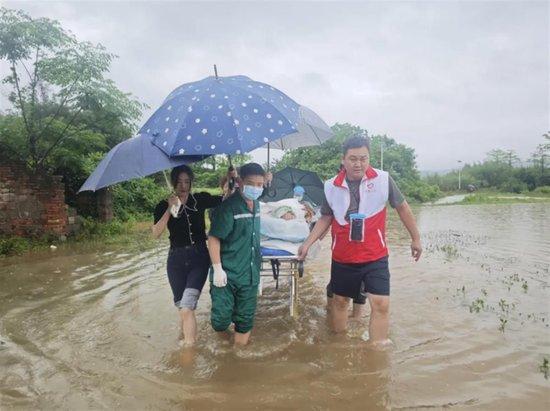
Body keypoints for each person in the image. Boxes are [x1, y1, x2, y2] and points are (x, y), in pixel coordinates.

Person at [297, 135, 422, 347]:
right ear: (343, 160)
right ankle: (339, 347)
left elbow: (402, 207)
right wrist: (308, 243)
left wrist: (415, 238)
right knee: (340, 302)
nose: (358, 164)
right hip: (344, 255)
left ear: (369, 158)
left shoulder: (383, 179)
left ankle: (377, 351)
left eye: (363, 158)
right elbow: (326, 217)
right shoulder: (330, 186)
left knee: (381, 304)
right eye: (353, 159)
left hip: (375, 254)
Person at [152, 165, 231, 347]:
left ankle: (189, 351)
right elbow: (156, 233)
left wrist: (231, 180)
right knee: (183, 308)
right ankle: (185, 336)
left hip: (199, 258)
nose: (183, 186)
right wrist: (169, 209)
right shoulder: (163, 205)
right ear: (173, 183)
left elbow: (225, 199)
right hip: (175, 261)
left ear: (191, 182)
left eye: (187, 181)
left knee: (187, 307)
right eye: (179, 181)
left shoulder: (200, 200)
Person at [207, 163, 267, 346]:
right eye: (251, 183)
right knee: (220, 321)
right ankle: (226, 340)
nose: (256, 188)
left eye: (260, 184)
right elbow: (213, 238)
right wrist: (217, 268)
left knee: (245, 320)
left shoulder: (257, 205)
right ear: (240, 182)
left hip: (250, 275)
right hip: (227, 274)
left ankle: (237, 358)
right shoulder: (228, 207)